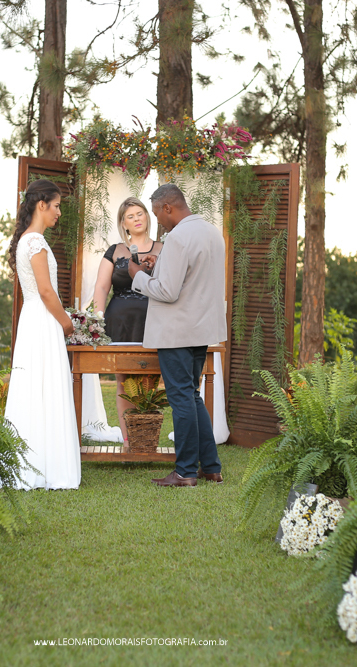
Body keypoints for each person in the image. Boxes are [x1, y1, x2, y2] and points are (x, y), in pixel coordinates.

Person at [128, 183, 226, 487]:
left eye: (158, 214)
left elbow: (167, 293)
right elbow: (192, 280)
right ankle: (210, 466)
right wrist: (159, 267)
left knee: (182, 399)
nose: (159, 221)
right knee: (193, 397)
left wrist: (138, 276)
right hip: (200, 330)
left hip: (175, 332)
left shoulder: (178, 236)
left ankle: (184, 471)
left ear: (168, 207)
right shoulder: (212, 232)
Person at [4, 178, 81, 490]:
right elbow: (47, 292)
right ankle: (46, 466)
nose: (59, 213)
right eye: (57, 206)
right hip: (43, 317)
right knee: (45, 385)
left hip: (34, 318)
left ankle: (35, 462)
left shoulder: (28, 239)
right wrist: (67, 323)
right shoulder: (34, 241)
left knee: (37, 387)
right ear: (41, 204)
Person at [91, 196, 163, 442]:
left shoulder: (164, 248)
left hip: (154, 322)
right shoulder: (115, 250)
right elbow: (101, 288)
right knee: (123, 382)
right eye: (130, 216)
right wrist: (97, 321)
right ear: (124, 223)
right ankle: (128, 441)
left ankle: (146, 439)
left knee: (149, 381)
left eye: (140, 214)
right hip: (120, 322)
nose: (136, 219)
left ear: (147, 217)